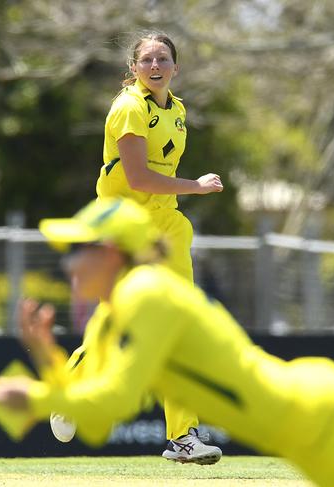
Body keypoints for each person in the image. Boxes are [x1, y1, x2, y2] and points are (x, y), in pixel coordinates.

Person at [0, 197, 334, 487]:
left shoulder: (146, 293)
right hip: (318, 402)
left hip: (318, 425)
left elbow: (116, 400)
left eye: (74, 251)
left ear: (110, 253)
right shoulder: (111, 315)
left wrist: (37, 398)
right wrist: (49, 361)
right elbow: (96, 425)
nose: (66, 266)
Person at [56, 30, 224, 464]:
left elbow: (158, 182)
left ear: (175, 68)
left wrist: (182, 197)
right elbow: (138, 179)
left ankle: (182, 437)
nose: (154, 67)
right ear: (133, 68)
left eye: (162, 59)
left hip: (167, 225)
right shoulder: (128, 107)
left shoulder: (179, 111)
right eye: (146, 60)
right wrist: (197, 187)